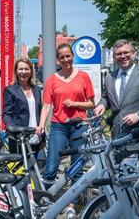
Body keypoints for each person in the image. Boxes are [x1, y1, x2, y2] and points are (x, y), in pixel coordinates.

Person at [36, 43, 95, 218]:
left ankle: (72, 205)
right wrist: (41, 124)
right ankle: (46, 203)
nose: (65, 60)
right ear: (58, 59)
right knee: (51, 166)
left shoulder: (83, 76)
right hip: (58, 126)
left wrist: (76, 104)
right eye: (62, 57)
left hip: (79, 126)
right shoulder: (52, 79)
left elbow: (91, 103)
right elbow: (47, 105)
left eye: (68, 56)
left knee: (77, 167)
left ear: (72, 56)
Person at [94, 39, 139, 171]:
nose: (122, 56)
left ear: (133, 53)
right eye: (118, 54)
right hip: (119, 141)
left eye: (125, 52)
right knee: (123, 187)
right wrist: (102, 104)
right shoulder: (110, 77)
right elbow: (107, 98)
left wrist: (138, 116)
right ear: (113, 57)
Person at [3, 57, 44, 157]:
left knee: (33, 168)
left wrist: (43, 137)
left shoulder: (37, 89)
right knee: (18, 170)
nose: (23, 72)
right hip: (19, 138)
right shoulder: (10, 90)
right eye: (20, 69)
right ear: (16, 71)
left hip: (36, 137)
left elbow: (40, 113)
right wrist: (16, 130)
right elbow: (6, 115)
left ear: (31, 71)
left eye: (26, 69)